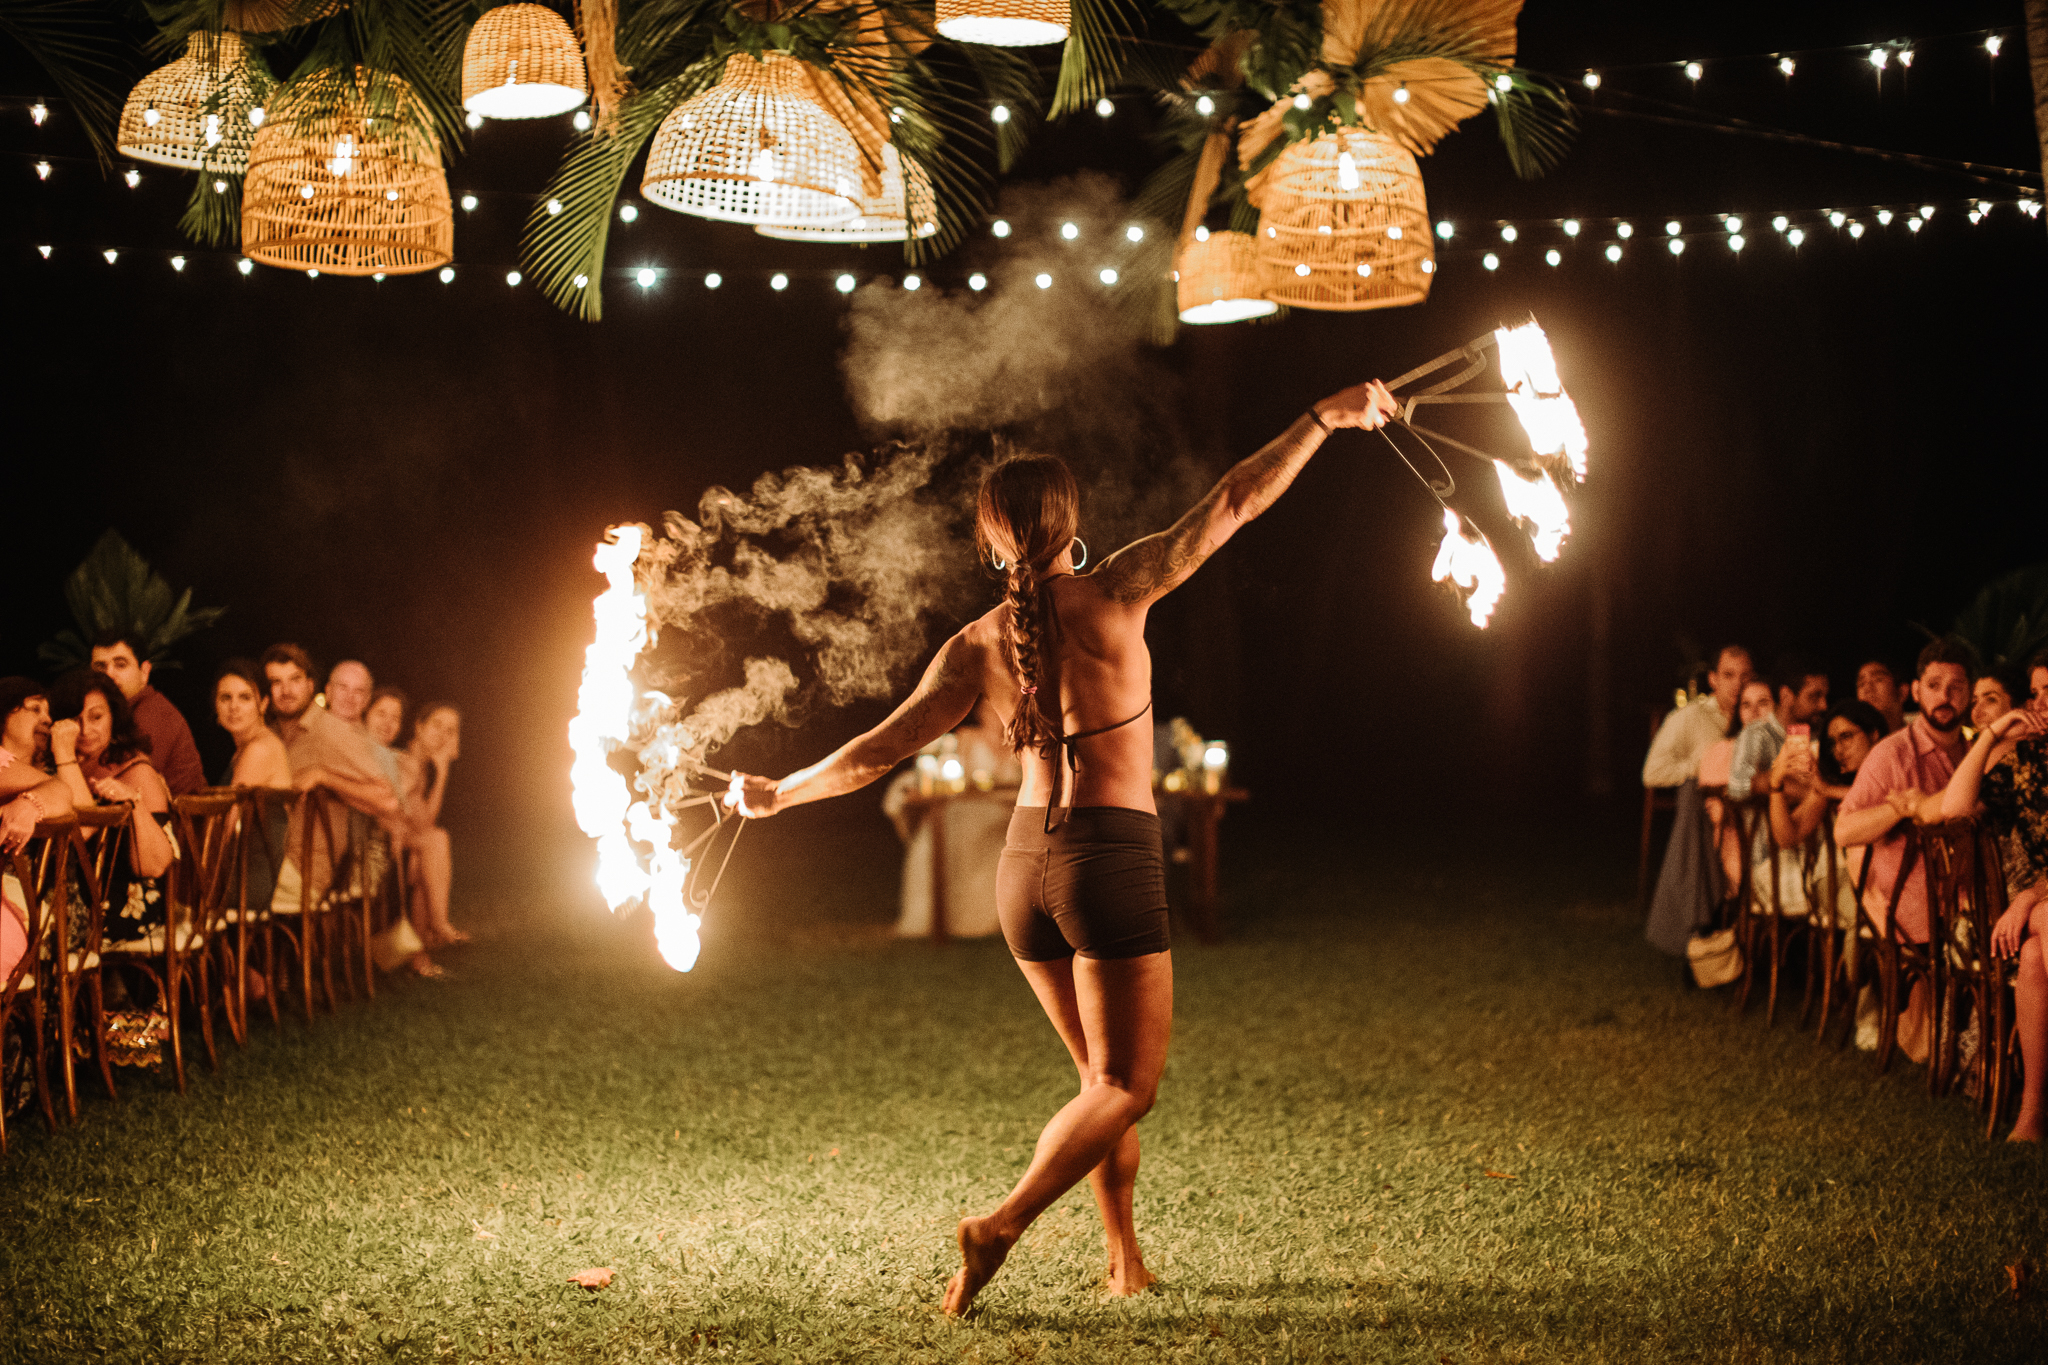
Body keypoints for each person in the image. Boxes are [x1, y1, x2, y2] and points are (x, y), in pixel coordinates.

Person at [723, 378, 1401, 1314]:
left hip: (1022, 874)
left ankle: (1124, 1257)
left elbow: (877, 752)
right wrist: (1325, 418)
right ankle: (998, 1224)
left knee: (1097, 1080)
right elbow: (1236, 498)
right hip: (1108, 862)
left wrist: (779, 792)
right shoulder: (1122, 584)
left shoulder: (971, 646)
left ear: (992, 537)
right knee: (1129, 1085)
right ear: (1068, 522)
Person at [1835, 637, 1975, 1061]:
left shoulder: (1973, 750)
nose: (1944, 697)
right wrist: (1897, 811)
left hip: (1968, 900)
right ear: (1915, 691)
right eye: (1934, 685)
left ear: (1969, 693)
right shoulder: (1892, 754)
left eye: (1955, 687)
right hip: (1915, 908)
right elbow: (1844, 831)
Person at [1937, 704, 2048, 1138]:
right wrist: (1992, 733)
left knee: (2040, 926)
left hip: (2039, 900)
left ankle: (2034, 1111)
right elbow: (1953, 807)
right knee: (2035, 952)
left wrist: (2026, 899)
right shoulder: (2028, 764)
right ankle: (2035, 1110)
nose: (2043, 706)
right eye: (2038, 694)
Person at [261, 644, 400, 924]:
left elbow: (387, 799)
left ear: (311, 685)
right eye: (276, 682)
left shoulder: (330, 731)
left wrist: (326, 777)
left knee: (210, 887)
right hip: (268, 857)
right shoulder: (271, 735)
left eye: (295, 680)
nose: (286, 690)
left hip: (302, 870)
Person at [47, 670, 178, 949]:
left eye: (96, 717)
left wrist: (134, 803)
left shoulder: (135, 769)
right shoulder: (55, 767)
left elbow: (155, 864)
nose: (84, 730)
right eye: (74, 719)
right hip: (67, 897)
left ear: (114, 718)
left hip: (120, 904)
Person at [89, 631, 206, 796]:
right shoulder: (114, 713)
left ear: (144, 671)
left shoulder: (155, 714)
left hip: (177, 818)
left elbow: (116, 777)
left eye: (120, 665)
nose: (109, 675)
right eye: (100, 667)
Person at [396, 703, 466, 955]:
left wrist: (442, 771)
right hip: (382, 838)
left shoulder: (422, 765)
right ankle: (438, 924)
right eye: (436, 725)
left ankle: (421, 948)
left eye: (450, 730)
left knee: (425, 852)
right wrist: (444, 773)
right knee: (435, 840)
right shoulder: (406, 760)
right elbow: (422, 823)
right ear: (419, 726)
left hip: (406, 841)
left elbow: (424, 821)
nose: (442, 735)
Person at [1642, 646, 1753, 788]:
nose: (1737, 684)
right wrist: (1701, 767)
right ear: (1713, 679)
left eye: (1744, 676)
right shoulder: (1690, 716)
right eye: (1728, 675)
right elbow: (1652, 772)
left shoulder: (1761, 715)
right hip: (1705, 801)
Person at [1727, 655, 1829, 802]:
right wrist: (1782, 781)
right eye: (1814, 696)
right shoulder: (1758, 733)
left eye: (1825, 696)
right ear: (1786, 696)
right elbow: (1737, 784)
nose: (1823, 705)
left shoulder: (1823, 731)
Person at [1856, 659, 1909, 735]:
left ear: (1902, 692)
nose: (1868, 689)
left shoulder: (1925, 732)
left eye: (1878, 680)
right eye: (1861, 684)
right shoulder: (1855, 741)